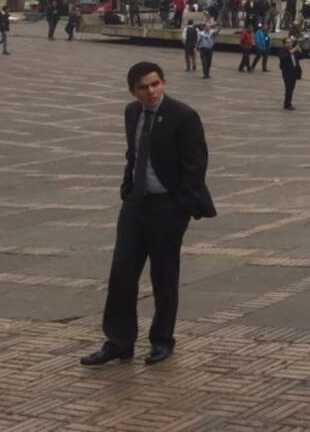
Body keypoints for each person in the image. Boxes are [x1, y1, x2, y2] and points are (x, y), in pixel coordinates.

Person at [80, 62, 216, 367]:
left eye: (155, 84)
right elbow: (134, 153)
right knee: (122, 273)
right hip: (136, 205)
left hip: (168, 206)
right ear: (133, 91)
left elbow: (196, 166)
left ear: (163, 83)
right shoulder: (131, 113)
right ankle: (119, 341)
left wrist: (180, 206)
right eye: (143, 87)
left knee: (164, 275)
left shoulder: (184, 116)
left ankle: (162, 340)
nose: (151, 91)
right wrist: (128, 188)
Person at [278, 38, 303, 110]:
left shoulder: (293, 50)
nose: (289, 44)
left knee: (291, 88)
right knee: (288, 88)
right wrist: (292, 51)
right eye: (287, 43)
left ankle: (288, 103)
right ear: (284, 44)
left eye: (290, 43)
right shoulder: (282, 51)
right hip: (287, 72)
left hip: (294, 72)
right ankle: (287, 104)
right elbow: (283, 58)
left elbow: (301, 57)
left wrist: (299, 50)